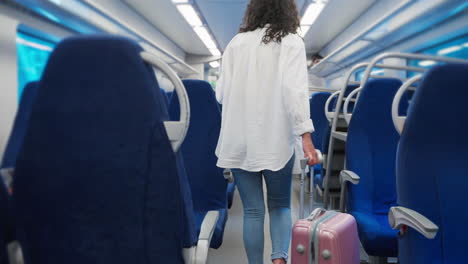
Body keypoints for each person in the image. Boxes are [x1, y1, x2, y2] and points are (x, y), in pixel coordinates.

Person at [215, 0, 319, 263]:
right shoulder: (291, 41)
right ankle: (279, 259)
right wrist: (305, 134)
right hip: (275, 139)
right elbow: (294, 92)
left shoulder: (235, 44)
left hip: (238, 139)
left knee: (252, 211)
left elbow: (221, 93)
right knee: (280, 205)